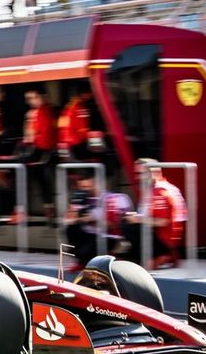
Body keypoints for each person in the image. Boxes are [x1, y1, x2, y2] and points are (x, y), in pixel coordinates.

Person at [123, 158, 187, 269]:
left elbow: (163, 221)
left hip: (164, 239)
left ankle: (161, 256)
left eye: (140, 173)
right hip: (169, 239)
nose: (138, 177)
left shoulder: (159, 191)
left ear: (153, 171)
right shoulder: (166, 187)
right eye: (136, 174)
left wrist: (136, 219)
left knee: (128, 226)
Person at [64, 175, 130, 267]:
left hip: (107, 236)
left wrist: (92, 220)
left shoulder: (113, 198)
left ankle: (104, 258)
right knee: (71, 229)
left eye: (87, 187)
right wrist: (75, 215)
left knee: (85, 252)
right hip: (88, 235)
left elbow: (115, 225)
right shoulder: (80, 199)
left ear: (96, 184)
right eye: (81, 187)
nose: (84, 190)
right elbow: (68, 220)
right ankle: (82, 260)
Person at [20, 86, 57, 218]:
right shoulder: (30, 114)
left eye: (34, 97)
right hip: (33, 148)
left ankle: (48, 206)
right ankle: (46, 206)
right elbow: (27, 135)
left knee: (39, 174)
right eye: (28, 99)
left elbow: (44, 135)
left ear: (43, 97)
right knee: (32, 174)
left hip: (46, 150)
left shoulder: (47, 111)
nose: (31, 101)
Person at [57, 83, 95, 161]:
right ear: (85, 94)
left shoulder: (68, 106)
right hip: (77, 144)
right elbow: (84, 129)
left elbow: (61, 126)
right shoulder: (80, 107)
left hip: (66, 143)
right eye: (90, 93)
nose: (91, 96)